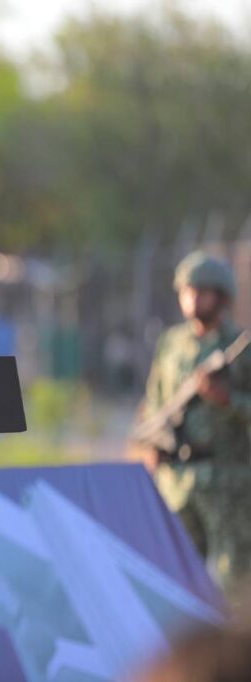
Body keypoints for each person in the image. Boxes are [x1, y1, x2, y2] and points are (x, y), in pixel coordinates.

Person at [140, 251, 251, 593]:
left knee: (234, 586)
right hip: (178, 481)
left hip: (228, 483)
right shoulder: (172, 345)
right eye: (188, 291)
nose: (194, 298)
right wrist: (153, 445)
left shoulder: (240, 348)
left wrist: (227, 400)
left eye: (203, 291)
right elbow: (155, 401)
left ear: (222, 297)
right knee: (176, 582)